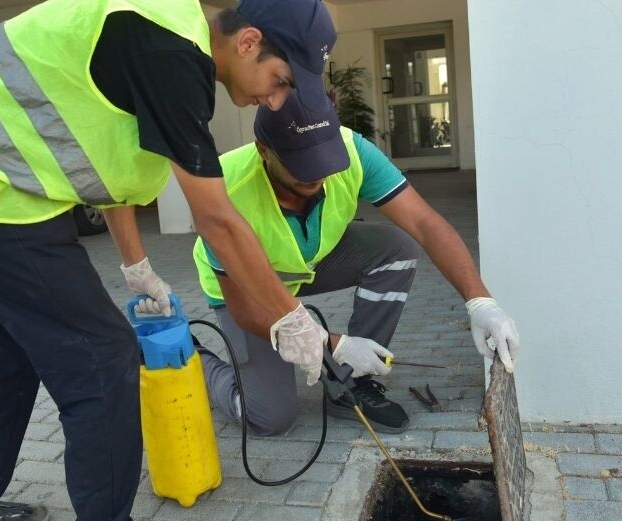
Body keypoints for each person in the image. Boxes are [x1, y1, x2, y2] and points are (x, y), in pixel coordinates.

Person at [0, 1, 336, 521]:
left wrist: (135, 265)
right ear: (247, 42)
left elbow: (105, 166)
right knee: (103, 362)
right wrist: (292, 318)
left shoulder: (162, 38)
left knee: (3, 364)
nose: (276, 98)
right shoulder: (172, 53)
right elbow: (218, 220)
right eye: (279, 79)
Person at [193, 91, 520, 435]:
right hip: (246, 288)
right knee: (268, 419)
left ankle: (353, 382)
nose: (316, 173)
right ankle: (194, 356)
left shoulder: (353, 151)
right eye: (301, 164)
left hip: (308, 261)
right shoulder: (223, 189)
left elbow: (425, 224)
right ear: (263, 150)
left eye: (323, 158)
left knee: (397, 248)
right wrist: (335, 344)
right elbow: (244, 310)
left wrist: (480, 302)